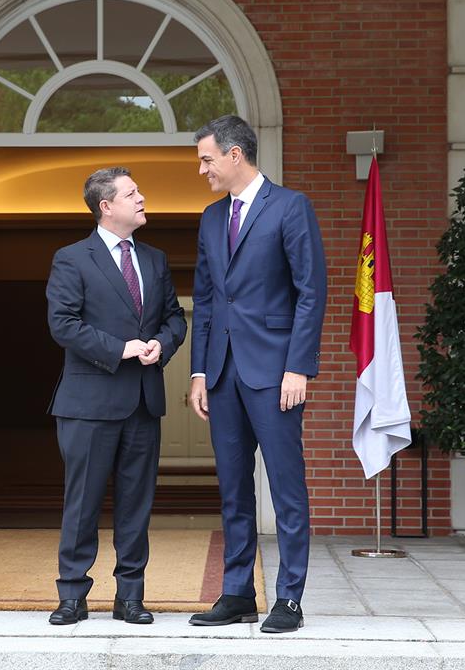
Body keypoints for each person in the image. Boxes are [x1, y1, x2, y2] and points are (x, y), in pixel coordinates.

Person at [187, 115, 327, 634]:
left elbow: (311, 291)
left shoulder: (290, 207)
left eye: (207, 159)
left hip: (275, 373)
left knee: (287, 487)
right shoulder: (208, 218)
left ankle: (289, 598)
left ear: (235, 155)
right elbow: (204, 300)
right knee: (232, 490)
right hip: (222, 374)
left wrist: (299, 367)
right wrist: (199, 371)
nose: (203, 169)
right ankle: (237, 592)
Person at [45, 167, 187, 626]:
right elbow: (63, 324)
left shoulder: (155, 259)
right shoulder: (72, 258)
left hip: (143, 402)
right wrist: (120, 349)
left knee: (136, 504)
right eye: (132, 193)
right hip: (88, 403)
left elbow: (174, 319)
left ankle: (130, 598)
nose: (142, 198)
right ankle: (72, 596)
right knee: (82, 501)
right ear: (106, 206)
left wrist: (162, 344)